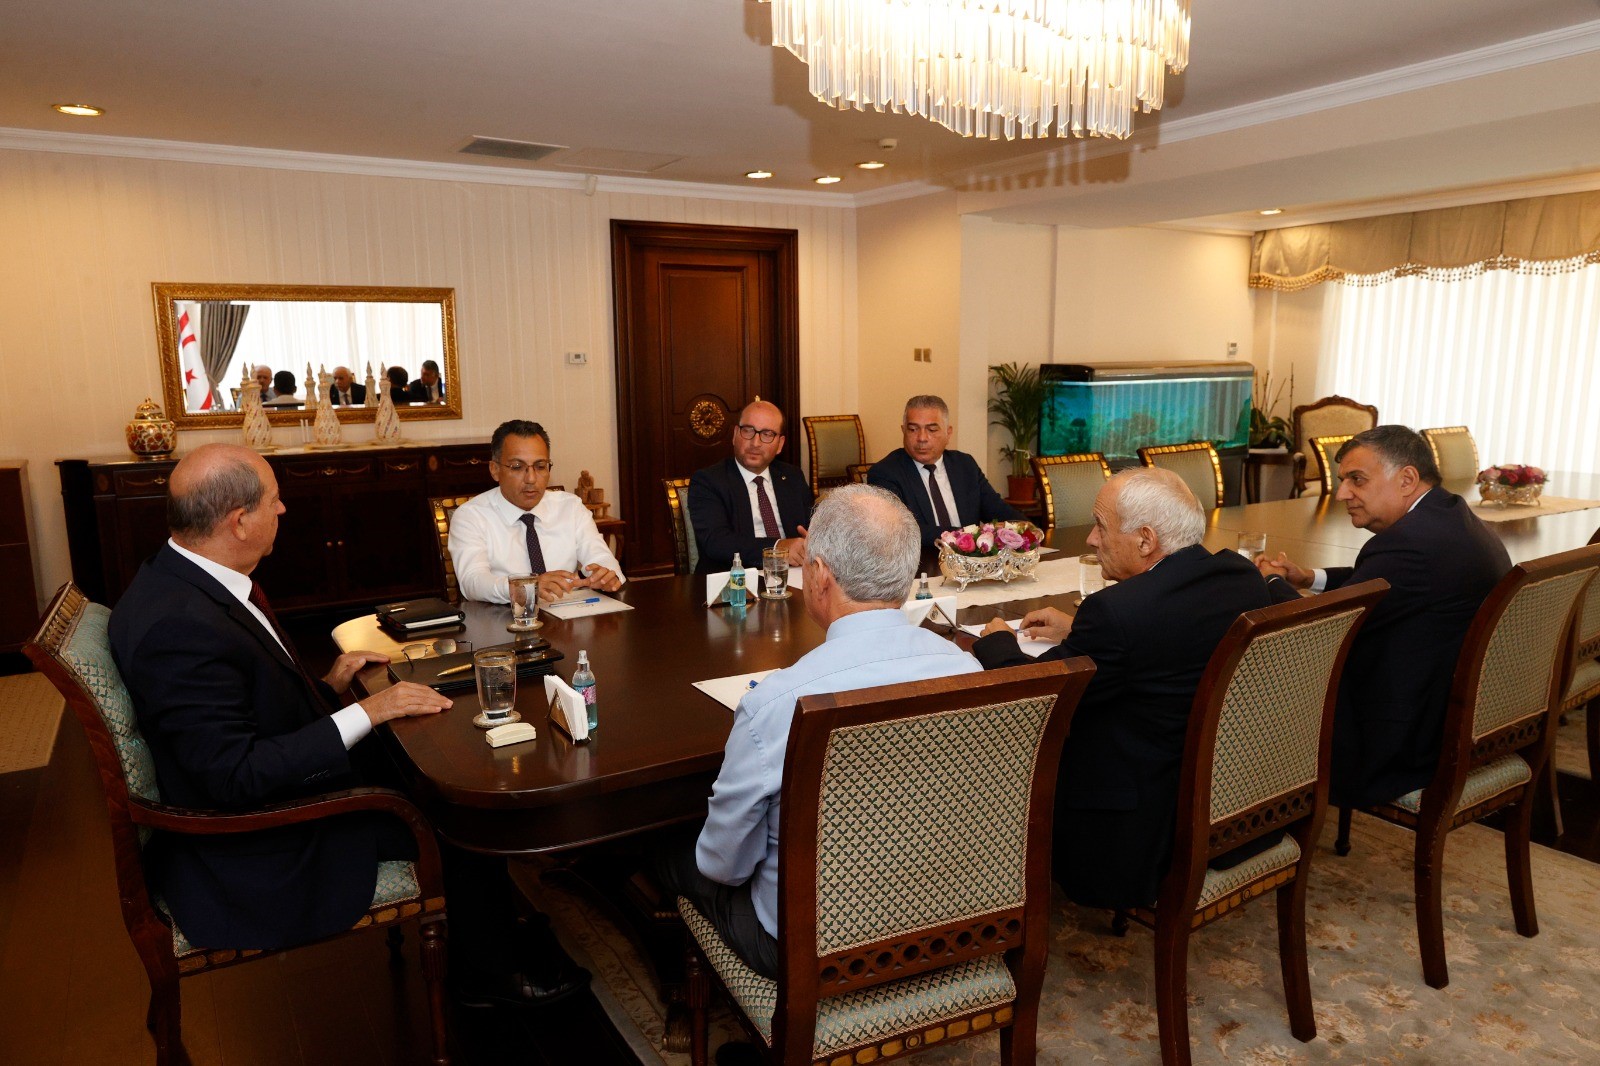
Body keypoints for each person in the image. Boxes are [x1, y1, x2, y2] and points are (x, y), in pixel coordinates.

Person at [107, 443, 586, 1005]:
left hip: (262, 792)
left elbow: (235, 702)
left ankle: (489, 927)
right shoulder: (179, 627)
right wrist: (368, 710)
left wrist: (328, 687)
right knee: (450, 810)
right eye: (274, 500)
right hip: (255, 850)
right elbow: (234, 777)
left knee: (429, 756)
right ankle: (489, 975)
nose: (283, 509)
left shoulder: (182, 578)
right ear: (238, 522)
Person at [657, 484, 981, 977]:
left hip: (810, 946)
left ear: (820, 575)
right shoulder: (966, 671)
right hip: (948, 919)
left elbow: (726, 866)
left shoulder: (778, 703)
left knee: (667, 852)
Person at [971, 467, 1272, 909]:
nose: (1091, 539)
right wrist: (1080, 630)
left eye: (1101, 526)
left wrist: (997, 642)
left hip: (1136, 834)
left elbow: (1038, 697)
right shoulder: (1239, 575)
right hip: (1229, 800)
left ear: (1146, 540)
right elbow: (1167, 640)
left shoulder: (1116, 612)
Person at [1257, 425, 1510, 807]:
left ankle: (1259, 812)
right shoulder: (1449, 516)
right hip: (1455, 718)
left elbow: (1320, 630)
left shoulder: (1406, 545)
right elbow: (1378, 583)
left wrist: (1271, 581)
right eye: (1343, 480)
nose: (1343, 493)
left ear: (1407, 479)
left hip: (1399, 744)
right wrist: (1310, 578)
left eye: (1357, 480)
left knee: (1257, 683)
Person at [448, 419, 625, 604]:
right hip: (502, 615)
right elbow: (472, 581)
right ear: (495, 470)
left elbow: (600, 557)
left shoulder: (570, 507)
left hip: (567, 613)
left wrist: (607, 575)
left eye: (540, 466)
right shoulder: (471, 516)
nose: (531, 478)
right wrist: (525, 587)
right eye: (517, 467)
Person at [868, 394, 1022, 547]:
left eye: (932, 430)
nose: (922, 438)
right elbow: (900, 532)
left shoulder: (964, 465)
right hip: (924, 560)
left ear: (948, 433)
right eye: (913, 429)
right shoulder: (885, 473)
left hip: (972, 560)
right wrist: (970, 536)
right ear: (903, 431)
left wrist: (1025, 528)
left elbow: (1000, 512)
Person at [687, 399, 813, 574]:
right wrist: (778, 548)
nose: (755, 443)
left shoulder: (792, 476)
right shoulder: (708, 481)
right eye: (748, 431)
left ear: (780, 444)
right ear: (735, 435)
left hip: (794, 575)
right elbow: (716, 542)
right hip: (735, 579)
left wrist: (814, 541)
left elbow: (812, 526)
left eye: (767, 434)